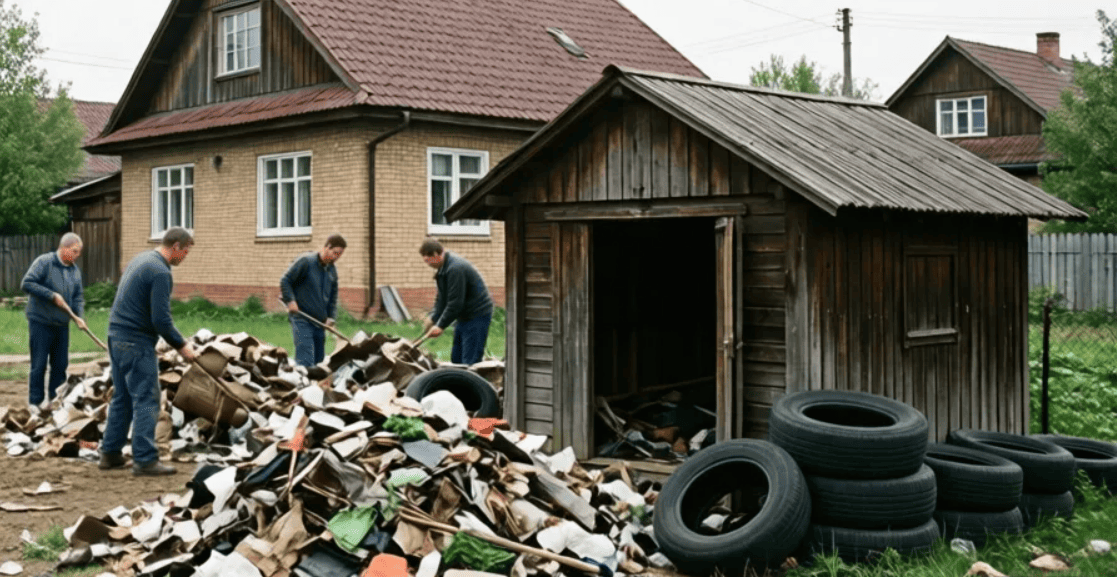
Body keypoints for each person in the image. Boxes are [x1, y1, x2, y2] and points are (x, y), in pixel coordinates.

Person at [99, 227, 197, 476]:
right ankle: (144, 459)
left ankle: (110, 453)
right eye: (185, 251)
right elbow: (161, 320)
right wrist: (182, 346)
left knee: (122, 396)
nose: (185, 257)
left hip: (116, 335)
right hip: (135, 342)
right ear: (175, 246)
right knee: (147, 398)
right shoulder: (161, 271)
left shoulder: (141, 259)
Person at [20, 233, 87, 411]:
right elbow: (27, 283)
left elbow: (78, 297)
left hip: (61, 324)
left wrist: (79, 315)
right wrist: (51, 296)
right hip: (40, 321)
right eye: (75, 251)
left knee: (60, 365)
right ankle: (35, 402)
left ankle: (55, 400)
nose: (77, 255)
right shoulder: (44, 262)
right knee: (39, 363)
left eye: (79, 252)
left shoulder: (74, 270)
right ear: (64, 248)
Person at [419, 238, 493, 365]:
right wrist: (433, 319)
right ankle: (458, 382)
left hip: (477, 315)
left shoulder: (455, 268)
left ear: (436, 255)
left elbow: (455, 303)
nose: (427, 264)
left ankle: (471, 383)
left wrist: (440, 326)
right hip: (464, 316)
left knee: (469, 360)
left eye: (427, 260)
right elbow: (442, 299)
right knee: (457, 358)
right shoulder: (443, 269)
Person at [280, 234, 345, 367]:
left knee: (319, 360)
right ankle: (302, 384)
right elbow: (285, 280)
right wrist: (291, 301)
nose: (336, 257)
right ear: (327, 247)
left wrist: (331, 317)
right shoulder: (306, 262)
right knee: (305, 359)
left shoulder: (332, 270)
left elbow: (333, 297)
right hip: (301, 317)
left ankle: (314, 386)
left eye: (339, 255)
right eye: (335, 253)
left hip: (319, 322)